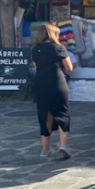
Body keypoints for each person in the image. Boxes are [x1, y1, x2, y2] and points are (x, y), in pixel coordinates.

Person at [32, 23, 73, 159]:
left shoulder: (36, 49)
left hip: (40, 83)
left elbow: (36, 65)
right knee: (62, 113)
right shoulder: (59, 48)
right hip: (57, 81)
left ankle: (45, 148)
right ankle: (63, 145)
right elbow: (69, 68)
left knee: (45, 114)